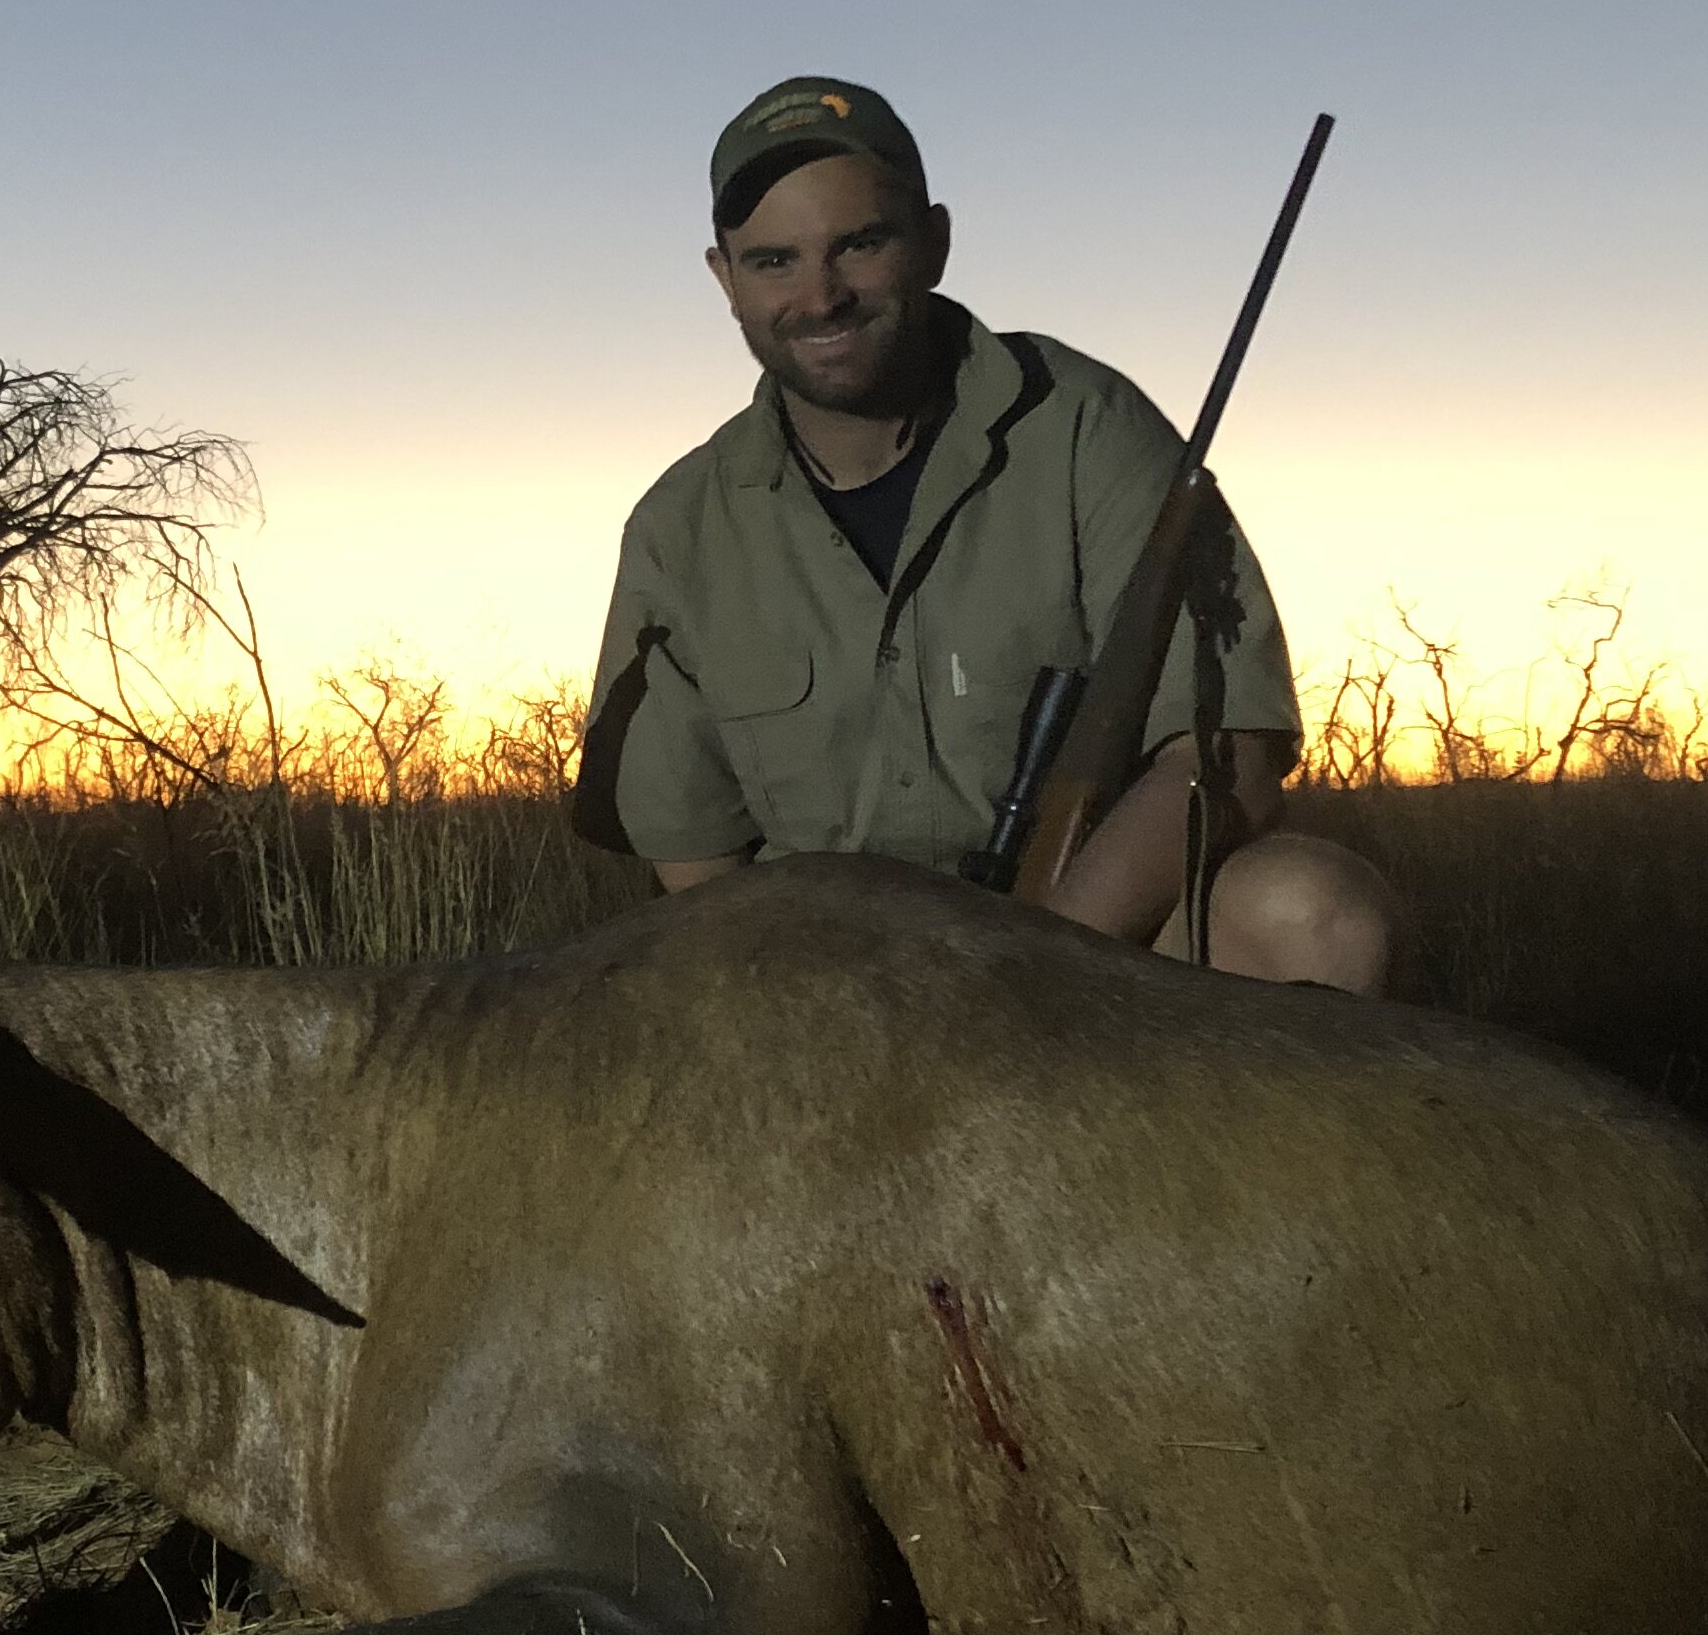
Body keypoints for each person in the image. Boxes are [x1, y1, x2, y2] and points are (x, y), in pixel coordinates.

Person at [573, 75, 1393, 989]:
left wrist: (1029, 973)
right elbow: (695, 869)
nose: (823, 294)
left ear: (934, 242)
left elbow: (1223, 754)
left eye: (861, 244)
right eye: (775, 262)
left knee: (1310, 911)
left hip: (1090, 956)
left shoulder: (1090, 426)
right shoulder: (678, 528)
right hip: (823, 992)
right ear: (725, 280)